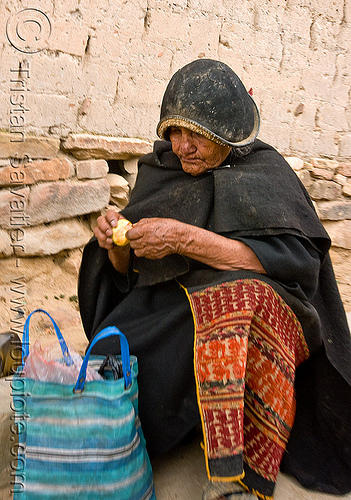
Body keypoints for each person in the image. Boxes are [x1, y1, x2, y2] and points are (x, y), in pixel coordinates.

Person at [78, 59, 351, 499]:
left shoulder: (268, 175)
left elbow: (293, 265)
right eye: (174, 132)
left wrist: (185, 239)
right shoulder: (161, 169)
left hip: (258, 295)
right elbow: (124, 279)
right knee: (116, 348)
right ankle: (151, 425)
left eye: (197, 135)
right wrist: (116, 247)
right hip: (169, 302)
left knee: (235, 304)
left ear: (229, 135)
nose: (182, 147)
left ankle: (239, 473)